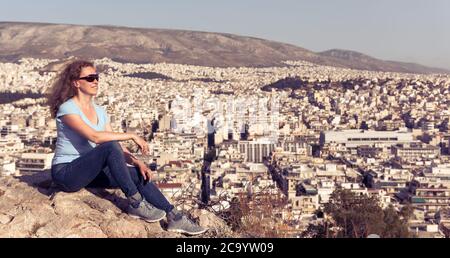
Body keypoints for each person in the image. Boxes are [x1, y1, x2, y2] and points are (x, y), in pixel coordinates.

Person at [47, 60, 207, 236]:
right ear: (76, 82)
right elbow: (96, 137)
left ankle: (174, 216)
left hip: (89, 172)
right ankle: (136, 203)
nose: (95, 81)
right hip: (66, 173)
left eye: (97, 77)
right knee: (110, 145)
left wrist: (136, 162)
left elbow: (115, 148)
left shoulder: (99, 111)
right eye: (90, 78)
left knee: (138, 174)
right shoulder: (67, 109)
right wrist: (132, 135)